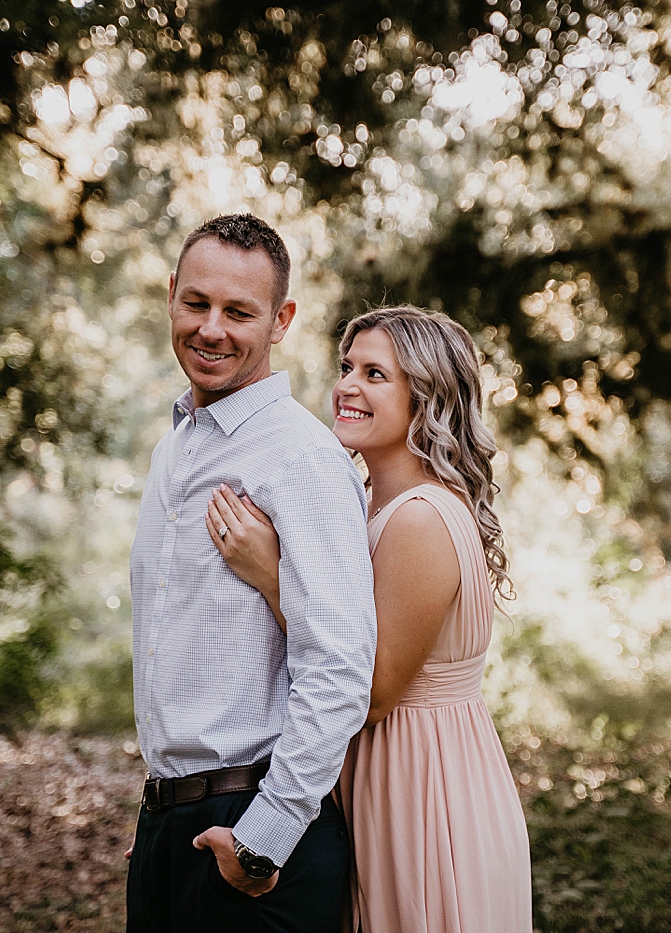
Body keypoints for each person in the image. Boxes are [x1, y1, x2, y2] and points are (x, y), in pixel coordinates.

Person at [206, 306, 533, 932]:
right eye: (347, 367)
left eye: (376, 374)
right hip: (388, 776)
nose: (347, 386)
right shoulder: (371, 508)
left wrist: (271, 574)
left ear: (425, 397)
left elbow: (376, 690)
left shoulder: (419, 519)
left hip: (427, 789)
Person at [125, 214, 377, 933]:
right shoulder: (172, 450)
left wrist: (262, 842)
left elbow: (340, 666)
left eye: (239, 312)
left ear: (281, 320)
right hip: (166, 830)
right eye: (196, 303)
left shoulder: (302, 457)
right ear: (171, 294)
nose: (211, 329)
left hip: (258, 836)